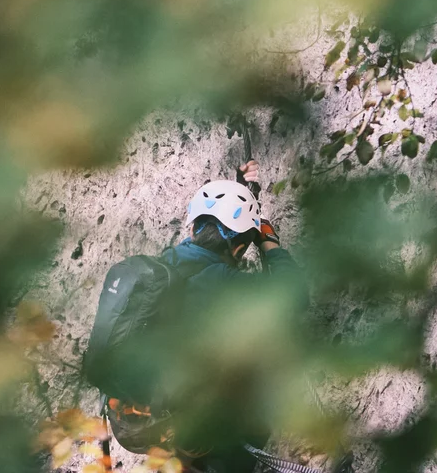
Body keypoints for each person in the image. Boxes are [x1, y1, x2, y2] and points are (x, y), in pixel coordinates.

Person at [101, 162, 298, 473]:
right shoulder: (223, 280)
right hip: (179, 418)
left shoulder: (165, 263)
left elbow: (220, 230)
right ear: (240, 248)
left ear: (192, 227)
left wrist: (245, 192)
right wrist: (268, 240)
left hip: (133, 414)